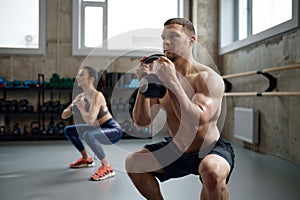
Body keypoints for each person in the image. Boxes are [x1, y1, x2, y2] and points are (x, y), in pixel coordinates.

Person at [125, 18, 235, 199]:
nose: (166, 42)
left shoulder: (207, 78)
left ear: (191, 40)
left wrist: (173, 83)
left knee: (212, 172)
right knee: (134, 162)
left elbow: (197, 122)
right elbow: (141, 122)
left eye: (174, 36)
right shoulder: (161, 78)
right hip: (177, 148)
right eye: (163, 37)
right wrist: (143, 84)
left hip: (209, 148)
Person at [61, 66, 123, 181]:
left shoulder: (97, 95)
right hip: (96, 128)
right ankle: (86, 159)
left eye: (81, 75)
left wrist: (81, 108)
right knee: (69, 130)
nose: (77, 78)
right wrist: (72, 108)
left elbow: (90, 119)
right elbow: (64, 115)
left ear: (91, 79)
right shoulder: (80, 97)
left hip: (112, 130)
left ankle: (107, 167)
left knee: (89, 135)